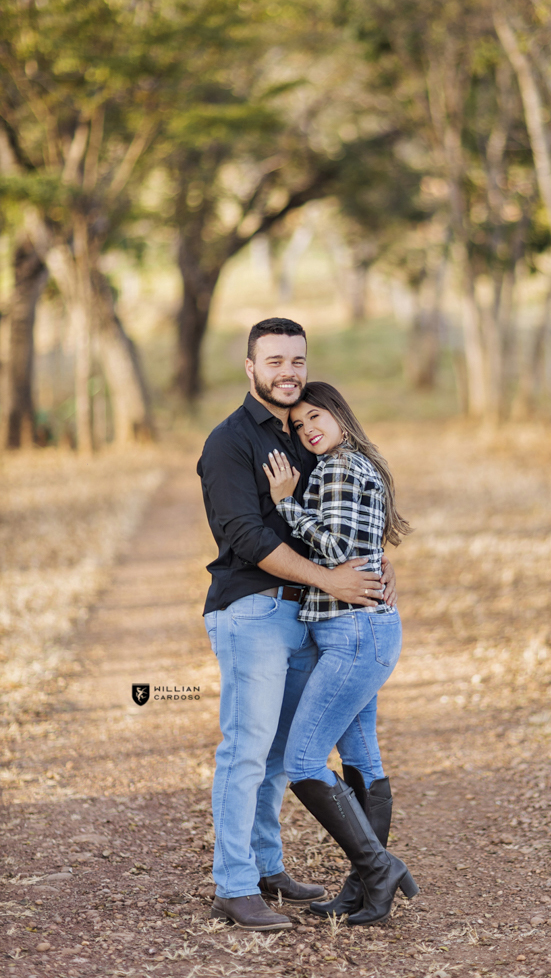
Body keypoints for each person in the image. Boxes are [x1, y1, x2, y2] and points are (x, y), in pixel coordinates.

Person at [197, 318, 397, 933]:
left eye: (297, 361)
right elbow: (244, 536)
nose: (287, 372)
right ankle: (233, 885)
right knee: (247, 748)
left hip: (310, 615)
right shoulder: (230, 442)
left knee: (285, 754)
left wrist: (375, 568)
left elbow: (347, 521)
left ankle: (267, 867)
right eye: (274, 361)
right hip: (253, 610)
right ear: (250, 368)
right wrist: (330, 577)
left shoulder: (309, 436)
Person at [262, 381, 418, 926]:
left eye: (315, 416)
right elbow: (363, 549)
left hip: (354, 635)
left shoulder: (337, 468)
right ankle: (366, 886)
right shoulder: (355, 464)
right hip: (364, 633)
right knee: (362, 759)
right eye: (300, 425)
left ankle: (378, 870)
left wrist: (286, 502)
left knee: (304, 761)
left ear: (340, 416)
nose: (308, 429)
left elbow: (337, 551)